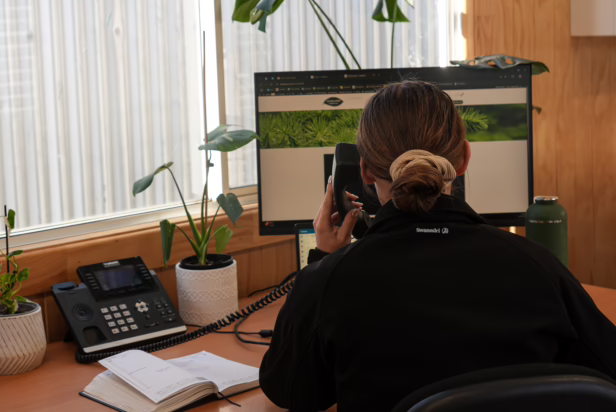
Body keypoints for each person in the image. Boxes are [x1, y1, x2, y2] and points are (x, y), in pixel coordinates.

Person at [259, 80, 616, 412]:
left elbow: (290, 391)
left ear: (365, 172)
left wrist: (324, 261)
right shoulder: (538, 266)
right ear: (463, 160)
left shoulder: (331, 281)